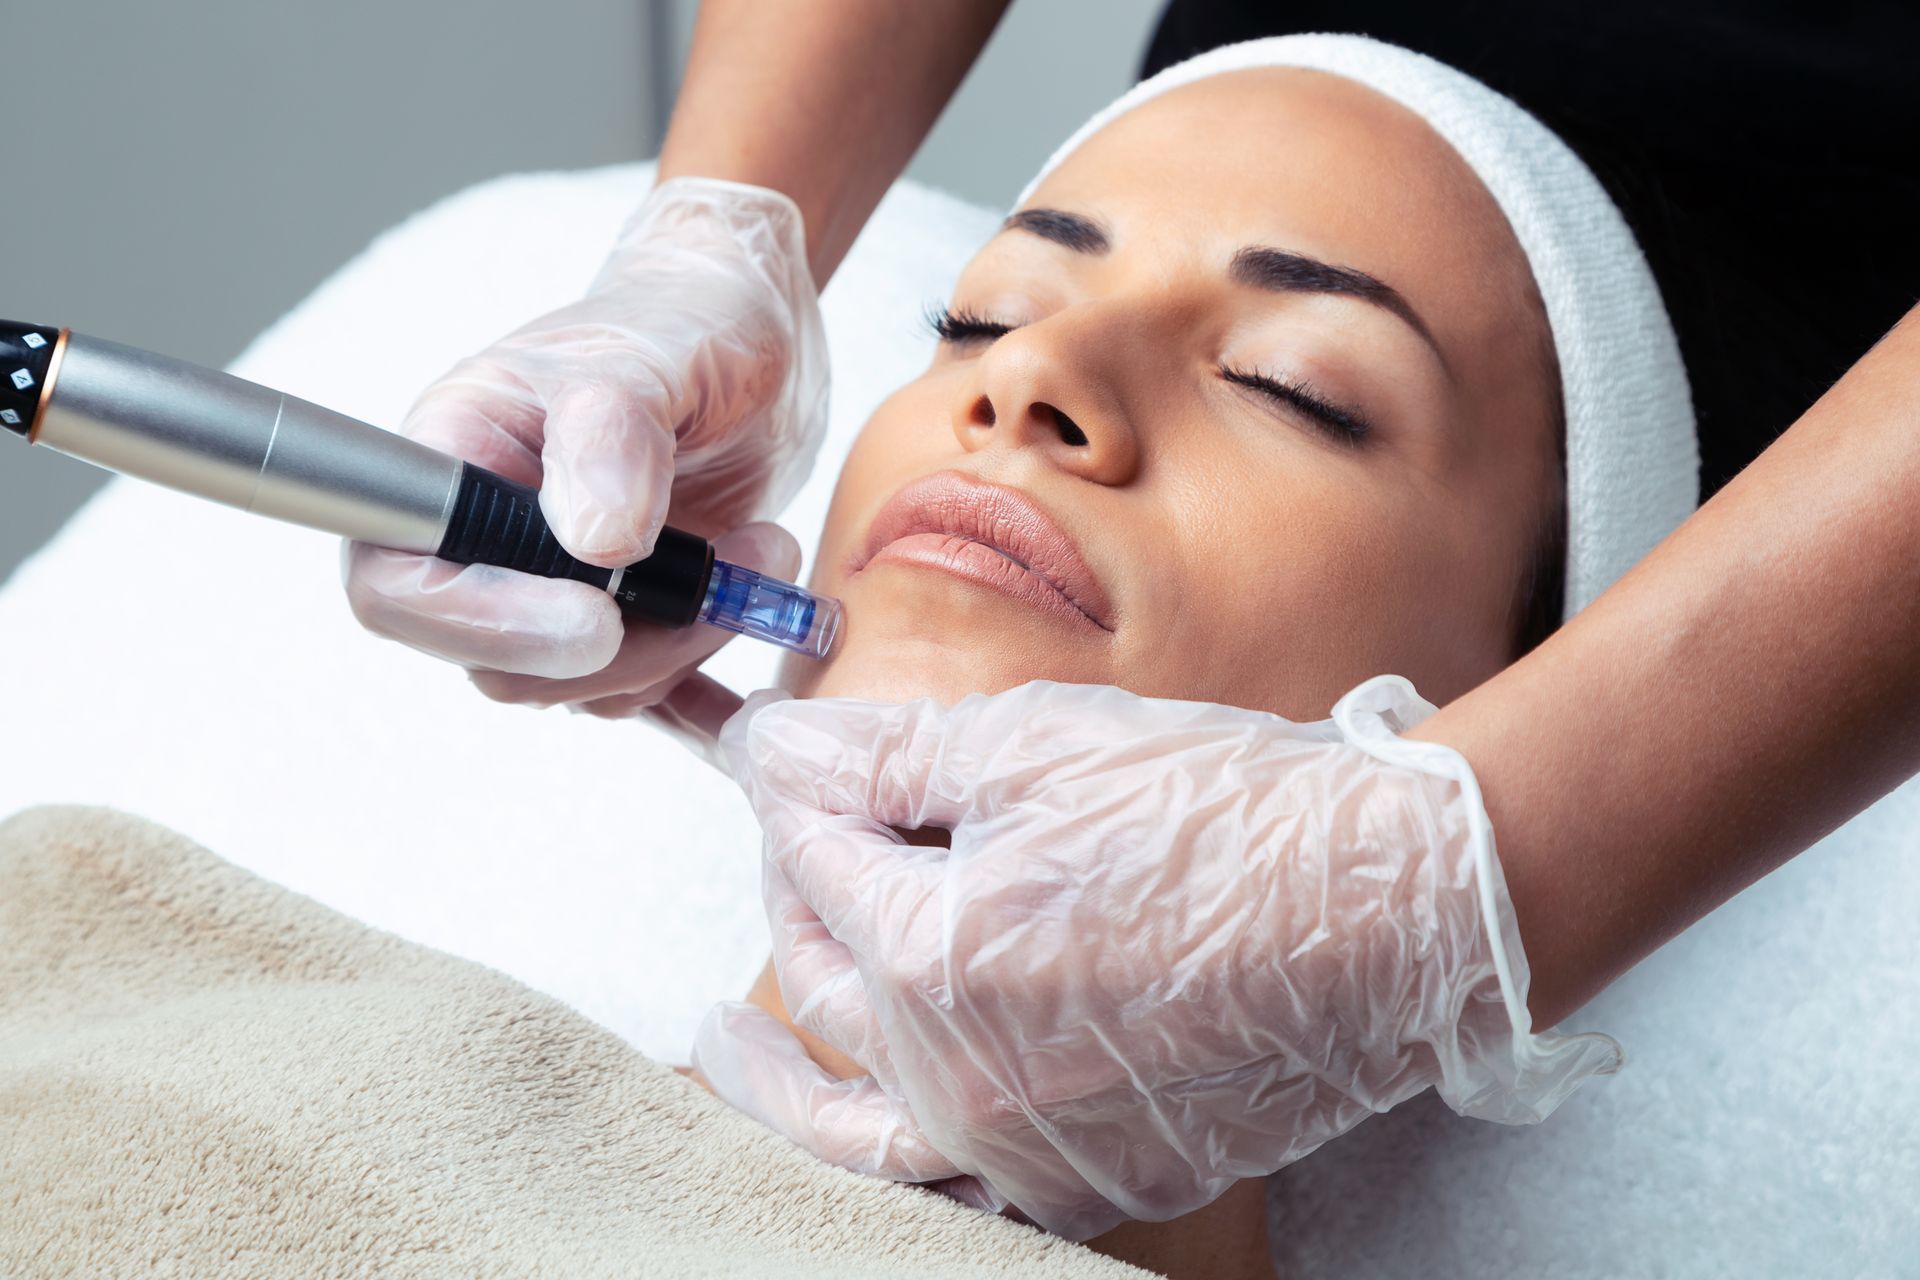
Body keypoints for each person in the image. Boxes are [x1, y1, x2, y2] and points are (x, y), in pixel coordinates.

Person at [342, 0, 1920, 1246]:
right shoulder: (217, 1037)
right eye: (984, 314)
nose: (1026, 382)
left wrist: (1481, 865)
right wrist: (711, 233)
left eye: (1292, 388)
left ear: (1498, 694)